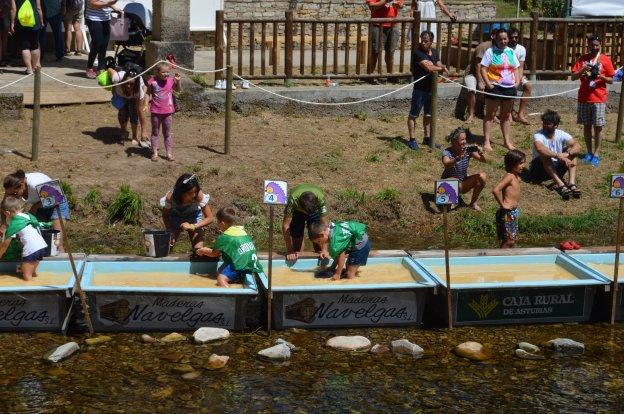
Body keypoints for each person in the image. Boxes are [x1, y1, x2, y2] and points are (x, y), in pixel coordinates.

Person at [571, 34, 615, 167]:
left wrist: (599, 75)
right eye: (592, 45)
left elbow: (611, 80)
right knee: (586, 126)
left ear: (600, 45)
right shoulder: (582, 59)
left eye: (597, 45)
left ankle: (596, 154)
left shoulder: (605, 60)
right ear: (588, 45)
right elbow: (573, 77)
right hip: (584, 97)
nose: (594, 47)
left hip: (598, 98)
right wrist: (583, 69)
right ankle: (589, 152)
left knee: (598, 127)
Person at [196, 207, 263, 288]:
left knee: (221, 279)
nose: (217, 224)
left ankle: (232, 297)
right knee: (220, 271)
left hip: (240, 263)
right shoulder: (242, 231)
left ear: (222, 223)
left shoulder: (224, 237)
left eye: (218, 222)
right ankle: (237, 278)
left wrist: (202, 250)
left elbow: (214, 254)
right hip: (251, 262)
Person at [2, 170, 69, 251]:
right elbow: (4, 205)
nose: (12, 196)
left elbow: (54, 195)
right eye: (9, 194)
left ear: (22, 185)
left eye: (15, 194)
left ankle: (60, 256)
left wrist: (32, 211)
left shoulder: (35, 184)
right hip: (40, 205)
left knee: (57, 242)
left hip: (56, 203)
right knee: (38, 239)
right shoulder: (12, 187)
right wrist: (3, 223)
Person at [480, 28, 520, 151]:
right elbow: (483, 68)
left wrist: (517, 82)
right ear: (495, 39)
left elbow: (516, 68)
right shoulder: (490, 52)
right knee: (490, 115)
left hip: (509, 87)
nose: (503, 41)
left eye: (505, 39)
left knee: (506, 115)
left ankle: (506, 141)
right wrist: (488, 84)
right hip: (495, 86)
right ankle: (486, 141)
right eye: (500, 39)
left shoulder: (511, 52)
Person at [529, 110, 582, 201]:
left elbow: (577, 146)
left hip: (555, 167)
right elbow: (540, 148)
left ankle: (571, 183)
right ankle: (560, 185)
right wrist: (558, 156)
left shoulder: (561, 134)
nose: (545, 125)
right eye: (544, 123)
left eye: (548, 123)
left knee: (572, 152)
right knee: (545, 155)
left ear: (556, 125)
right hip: (538, 170)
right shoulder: (538, 135)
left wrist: (567, 154)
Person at [407, 30, 447, 150]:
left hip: (432, 89)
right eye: (422, 40)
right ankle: (412, 140)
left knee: (428, 115)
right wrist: (441, 68)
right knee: (413, 114)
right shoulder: (417, 53)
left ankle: (427, 138)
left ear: (431, 42)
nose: (423, 43)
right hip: (420, 89)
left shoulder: (434, 52)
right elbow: (429, 67)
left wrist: (440, 67)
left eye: (426, 41)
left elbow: (439, 65)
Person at [160, 173, 214, 251]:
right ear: (182, 192)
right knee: (166, 248)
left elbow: (210, 218)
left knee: (198, 250)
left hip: (194, 217)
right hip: (175, 217)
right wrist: (170, 230)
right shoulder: (171, 197)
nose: (193, 195)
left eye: (195, 192)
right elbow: (165, 215)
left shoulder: (199, 195)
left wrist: (193, 226)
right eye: (190, 193)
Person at [0, 197, 50, 280]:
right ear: (19, 208)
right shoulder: (27, 217)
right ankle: (39, 286)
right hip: (42, 247)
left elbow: (5, 245)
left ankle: (33, 291)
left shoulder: (14, 225)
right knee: (32, 273)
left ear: (7, 213)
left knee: (26, 276)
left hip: (31, 250)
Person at [441, 127, 487, 210]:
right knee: (447, 208)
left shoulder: (467, 149)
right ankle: (450, 200)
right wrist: (458, 158)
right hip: (447, 185)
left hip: (462, 183)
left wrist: (481, 152)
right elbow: (446, 164)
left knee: (482, 176)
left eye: (465, 139)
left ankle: (472, 203)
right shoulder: (447, 152)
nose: (464, 142)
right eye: (462, 139)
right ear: (454, 141)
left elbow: (484, 160)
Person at [282, 183, 329, 263]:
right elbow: (286, 225)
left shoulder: (320, 199)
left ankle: (321, 258)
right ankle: (298, 262)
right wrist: (290, 251)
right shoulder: (293, 199)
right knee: (297, 236)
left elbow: (325, 226)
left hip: (315, 210)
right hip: (297, 211)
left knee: (319, 235)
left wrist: (324, 249)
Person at [107, 65, 149, 147]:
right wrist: (112, 85)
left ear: (135, 84)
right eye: (127, 83)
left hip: (134, 96)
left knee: (134, 113)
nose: (128, 86)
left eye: (131, 84)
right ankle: (124, 131)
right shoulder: (117, 78)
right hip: (120, 95)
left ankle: (134, 136)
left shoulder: (139, 90)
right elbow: (109, 69)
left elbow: (140, 112)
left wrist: (144, 132)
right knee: (122, 113)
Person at [147, 62, 181, 162]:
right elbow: (147, 93)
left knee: (167, 133)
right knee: (155, 132)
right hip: (156, 111)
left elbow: (178, 90)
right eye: (163, 72)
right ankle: (154, 153)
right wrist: (145, 104)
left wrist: (178, 81)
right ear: (157, 72)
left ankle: (169, 153)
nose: (166, 74)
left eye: (167, 72)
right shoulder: (152, 81)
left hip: (168, 112)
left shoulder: (171, 81)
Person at [492, 149, 525, 248]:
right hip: (507, 213)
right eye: (520, 163)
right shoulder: (509, 176)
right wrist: (503, 204)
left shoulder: (516, 176)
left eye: (523, 163)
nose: (523, 166)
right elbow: (496, 190)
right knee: (509, 240)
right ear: (511, 164)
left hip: (513, 212)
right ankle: (499, 260)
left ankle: (505, 258)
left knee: (512, 239)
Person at [365, 0, 404, 82]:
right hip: (377, 25)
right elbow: (372, 7)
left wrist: (398, 5)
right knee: (375, 51)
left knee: (391, 52)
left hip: (393, 24)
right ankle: (370, 75)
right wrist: (385, 1)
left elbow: (401, 5)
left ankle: (390, 75)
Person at [463, 30, 496, 123]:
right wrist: (480, 81)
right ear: (493, 36)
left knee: (495, 89)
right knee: (472, 89)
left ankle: (493, 115)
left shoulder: (499, 48)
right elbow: (478, 66)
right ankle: (471, 114)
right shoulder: (483, 47)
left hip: (488, 74)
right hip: (472, 73)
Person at [85, 0, 121, 79]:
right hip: (94, 18)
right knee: (97, 43)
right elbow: (93, 4)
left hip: (106, 18)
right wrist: (109, 3)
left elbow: (106, 1)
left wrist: (115, 8)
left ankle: (101, 68)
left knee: (104, 44)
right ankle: (89, 67)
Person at [9, 0, 44, 74]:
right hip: (34, 22)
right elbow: (38, 8)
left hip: (21, 22)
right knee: (35, 46)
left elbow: (13, 9)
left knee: (25, 46)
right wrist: (41, 21)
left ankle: (29, 69)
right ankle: (35, 68)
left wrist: (12, 23)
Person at [508, 27, 531, 125]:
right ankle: (508, 113)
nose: (514, 39)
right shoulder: (505, 48)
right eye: (512, 37)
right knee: (509, 87)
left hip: (517, 74)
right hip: (506, 75)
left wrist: (518, 80)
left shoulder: (521, 49)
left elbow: (521, 67)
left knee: (528, 86)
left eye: (516, 37)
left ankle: (520, 115)